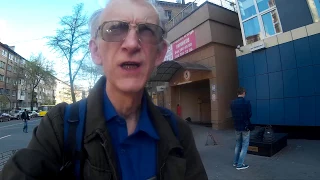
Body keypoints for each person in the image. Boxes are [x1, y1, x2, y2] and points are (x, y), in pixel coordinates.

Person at [0, 0, 207, 179]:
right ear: (96, 51)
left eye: (147, 30)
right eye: (116, 28)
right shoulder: (60, 126)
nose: (132, 43)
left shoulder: (178, 131)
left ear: (160, 54)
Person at [230, 87, 252, 170]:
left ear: (237, 93)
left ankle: (235, 162)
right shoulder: (246, 102)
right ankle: (240, 164)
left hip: (236, 126)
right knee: (245, 145)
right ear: (243, 93)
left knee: (238, 144)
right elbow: (249, 114)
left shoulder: (232, 103)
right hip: (245, 126)